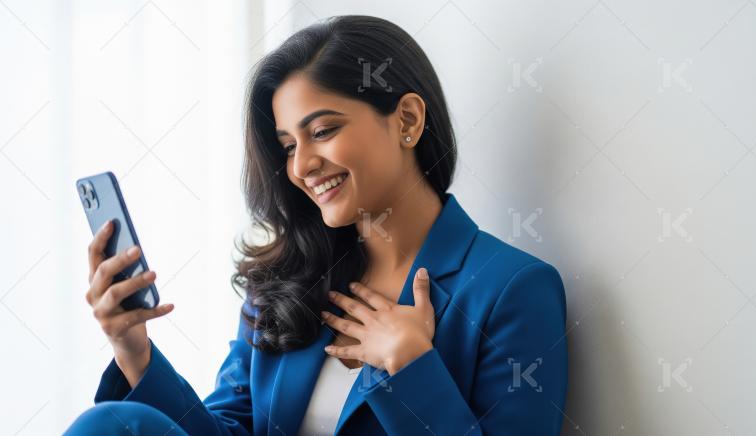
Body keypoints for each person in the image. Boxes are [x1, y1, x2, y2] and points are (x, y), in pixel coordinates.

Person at [66, 14, 568, 435]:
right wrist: (133, 351)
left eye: (323, 131)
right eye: (288, 146)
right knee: (114, 422)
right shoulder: (287, 280)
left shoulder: (513, 290)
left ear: (408, 121)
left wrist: (412, 366)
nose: (301, 166)